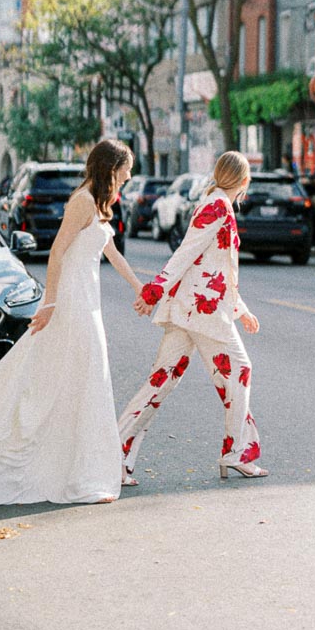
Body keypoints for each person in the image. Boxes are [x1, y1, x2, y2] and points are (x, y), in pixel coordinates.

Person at [0, 139, 150, 506]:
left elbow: (110, 251)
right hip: (72, 301)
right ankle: (76, 477)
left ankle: (86, 471)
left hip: (89, 301)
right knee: (81, 379)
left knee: (85, 380)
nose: (129, 176)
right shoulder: (81, 201)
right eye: (126, 169)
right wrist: (49, 303)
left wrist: (140, 288)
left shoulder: (100, 203)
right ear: (110, 168)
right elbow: (57, 254)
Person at [119, 150, 267, 483]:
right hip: (202, 311)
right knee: (240, 370)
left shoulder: (219, 205)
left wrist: (241, 310)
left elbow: (216, 268)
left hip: (197, 309)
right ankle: (237, 452)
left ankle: (117, 453)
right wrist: (153, 293)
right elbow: (185, 253)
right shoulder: (216, 206)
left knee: (161, 382)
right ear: (244, 181)